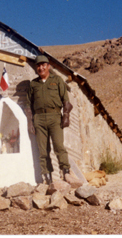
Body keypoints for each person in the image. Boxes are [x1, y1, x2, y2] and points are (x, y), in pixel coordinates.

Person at [27, 55, 73, 185]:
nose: (41, 68)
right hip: (39, 119)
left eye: (43, 65)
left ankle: (66, 173)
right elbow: (28, 105)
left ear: (48, 66)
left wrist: (66, 116)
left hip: (55, 117)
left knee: (59, 146)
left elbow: (66, 101)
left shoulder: (57, 80)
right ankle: (47, 178)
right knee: (42, 150)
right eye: (38, 66)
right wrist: (30, 122)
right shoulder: (33, 84)